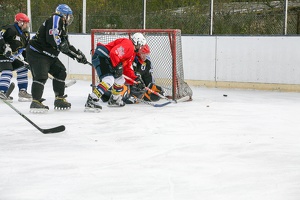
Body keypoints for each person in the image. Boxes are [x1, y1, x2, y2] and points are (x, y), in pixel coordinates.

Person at [26, 4, 88, 112]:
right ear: (63, 15)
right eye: (68, 16)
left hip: (48, 55)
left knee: (60, 71)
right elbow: (53, 39)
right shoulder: (56, 19)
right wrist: (60, 45)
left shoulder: (63, 27)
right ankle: (35, 102)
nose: (69, 19)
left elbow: (66, 46)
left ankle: (59, 98)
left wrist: (77, 55)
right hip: (37, 53)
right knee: (41, 76)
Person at [84, 32, 146, 111]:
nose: (141, 48)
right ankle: (92, 100)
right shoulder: (129, 45)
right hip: (102, 57)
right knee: (109, 79)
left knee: (120, 79)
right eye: (141, 45)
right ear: (137, 42)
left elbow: (127, 69)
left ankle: (114, 100)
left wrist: (135, 80)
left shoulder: (131, 54)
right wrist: (118, 66)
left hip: (109, 60)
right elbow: (114, 53)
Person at [0, 13, 32, 102]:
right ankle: (2, 91)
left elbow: (25, 50)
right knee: (8, 70)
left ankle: (22, 92)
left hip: (11, 57)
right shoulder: (10, 29)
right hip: (2, 55)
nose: (27, 25)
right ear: (20, 23)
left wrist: (28, 61)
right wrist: (4, 47)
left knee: (23, 67)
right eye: (26, 23)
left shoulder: (25, 35)